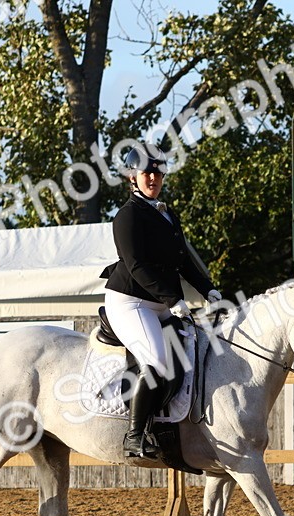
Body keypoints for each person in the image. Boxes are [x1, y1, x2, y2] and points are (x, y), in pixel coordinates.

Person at [100, 144, 221, 460]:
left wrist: (209, 289)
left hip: (161, 303)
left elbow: (183, 262)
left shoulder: (168, 215)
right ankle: (135, 435)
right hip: (130, 302)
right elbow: (137, 265)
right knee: (155, 359)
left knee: (192, 350)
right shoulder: (127, 216)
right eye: (147, 173)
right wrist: (173, 299)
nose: (153, 178)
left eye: (158, 173)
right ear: (133, 177)